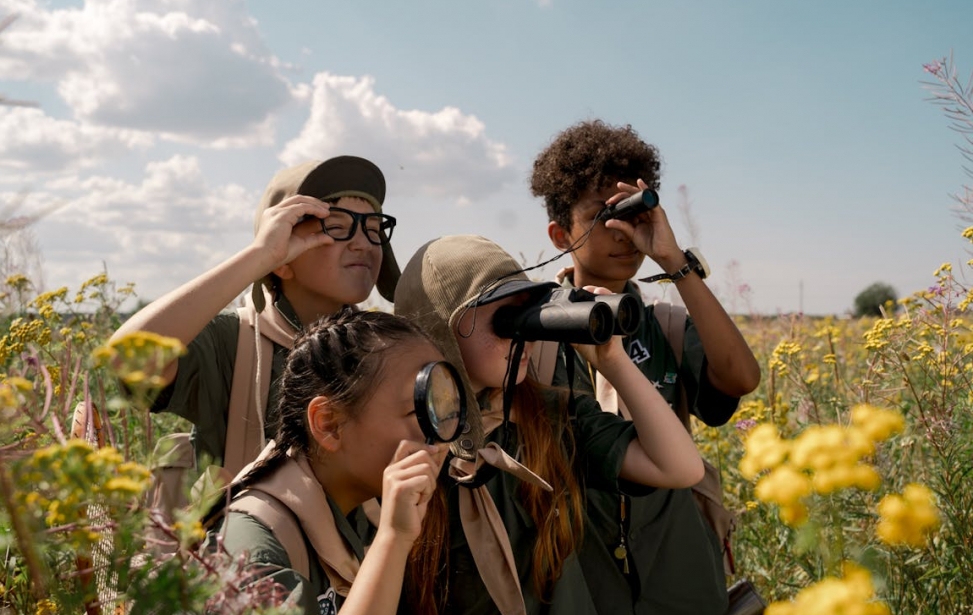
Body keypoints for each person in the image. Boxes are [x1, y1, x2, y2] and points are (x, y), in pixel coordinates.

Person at [393, 234, 705, 614]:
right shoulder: (401, 440)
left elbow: (679, 468)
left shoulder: (548, 415)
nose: (523, 335)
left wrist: (612, 362)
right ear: (442, 329)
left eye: (528, 314)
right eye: (505, 320)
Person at [530, 119, 762, 614]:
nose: (621, 232)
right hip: (580, 561)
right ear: (559, 234)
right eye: (599, 216)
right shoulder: (536, 330)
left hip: (675, 556)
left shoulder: (666, 326)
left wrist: (673, 261)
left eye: (628, 213)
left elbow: (741, 378)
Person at [110, 155, 400, 480]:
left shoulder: (384, 351)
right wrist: (260, 257)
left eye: (374, 229)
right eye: (336, 227)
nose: (363, 243)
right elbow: (128, 357)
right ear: (282, 254)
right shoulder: (234, 344)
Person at [205, 308, 450, 614]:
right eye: (418, 411)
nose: (440, 434)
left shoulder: (360, 512)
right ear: (329, 424)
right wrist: (394, 539)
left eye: (442, 410)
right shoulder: (250, 549)